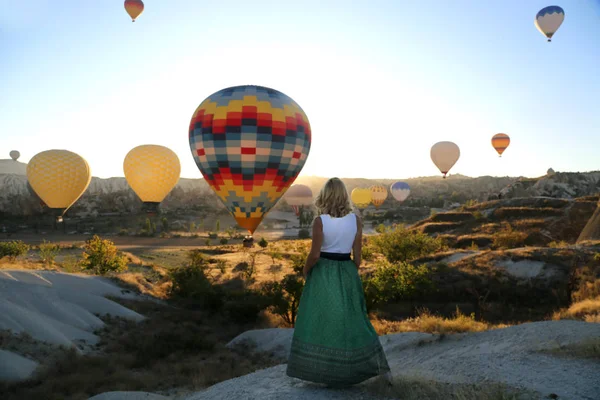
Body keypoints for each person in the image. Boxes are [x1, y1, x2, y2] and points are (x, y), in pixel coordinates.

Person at [286, 177, 391, 387]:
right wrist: (349, 271)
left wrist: (306, 271)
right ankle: (373, 368)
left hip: (324, 271)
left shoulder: (320, 221)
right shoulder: (356, 221)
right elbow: (358, 257)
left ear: (324, 196)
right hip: (347, 270)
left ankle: (324, 371)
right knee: (354, 318)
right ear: (345, 196)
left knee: (322, 320)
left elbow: (314, 255)